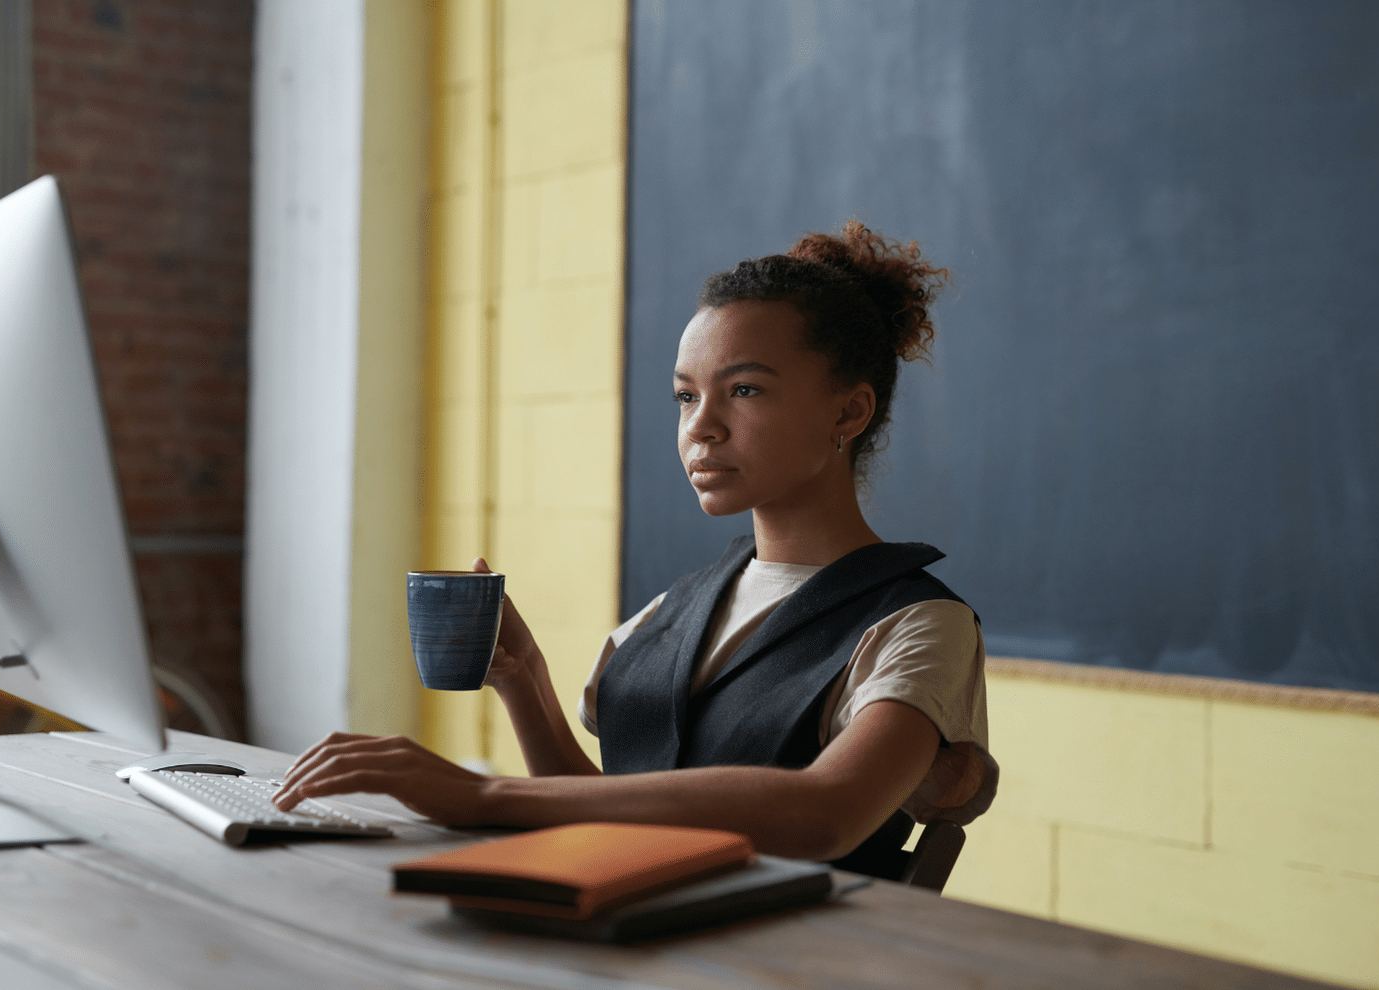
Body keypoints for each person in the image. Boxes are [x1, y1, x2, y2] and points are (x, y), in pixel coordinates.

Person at [275, 222, 997, 878]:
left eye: (743, 390)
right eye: (686, 397)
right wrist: (527, 684)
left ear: (850, 410)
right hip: (624, 935)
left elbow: (826, 814)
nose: (701, 428)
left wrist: (481, 794)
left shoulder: (920, 624)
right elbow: (607, 809)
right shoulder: (676, 607)